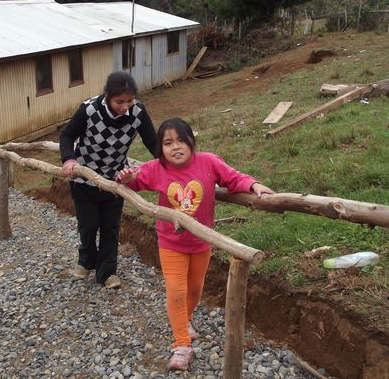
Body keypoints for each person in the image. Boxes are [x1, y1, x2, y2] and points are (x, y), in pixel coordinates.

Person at [116, 117, 275, 371]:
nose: (175, 147)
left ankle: (185, 319)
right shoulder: (157, 168)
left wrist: (253, 184)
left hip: (202, 241)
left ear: (191, 141)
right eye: (168, 143)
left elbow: (233, 179)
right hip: (171, 243)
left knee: (194, 289)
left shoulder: (209, 162)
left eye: (181, 140)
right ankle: (182, 344)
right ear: (160, 148)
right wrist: (125, 179)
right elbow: (134, 181)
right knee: (176, 289)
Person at [60, 71, 157, 289]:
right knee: (88, 226)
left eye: (130, 101)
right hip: (84, 178)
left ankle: (107, 273)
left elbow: (153, 143)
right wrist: (69, 160)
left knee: (110, 228)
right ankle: (86, 260)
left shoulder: (138, 112)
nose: (125, 106)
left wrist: (173, 163)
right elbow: (66, 136)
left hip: (115, 180)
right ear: (107, 96)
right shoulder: (89, 110)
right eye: (119, 101)